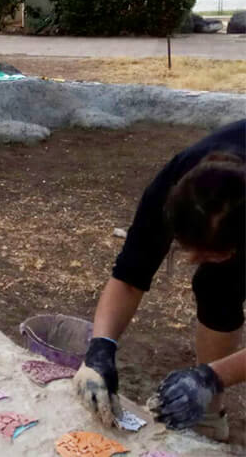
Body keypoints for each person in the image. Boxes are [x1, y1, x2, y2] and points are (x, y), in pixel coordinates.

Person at [73, 119, 245, 441]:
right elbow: (129, 275)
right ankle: (208, 414)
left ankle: (206, 401)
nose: (195, 260)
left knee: (222, 280)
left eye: (212, 253)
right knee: (215, 286)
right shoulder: (176, 184)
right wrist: (100, 347)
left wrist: (212, 377)